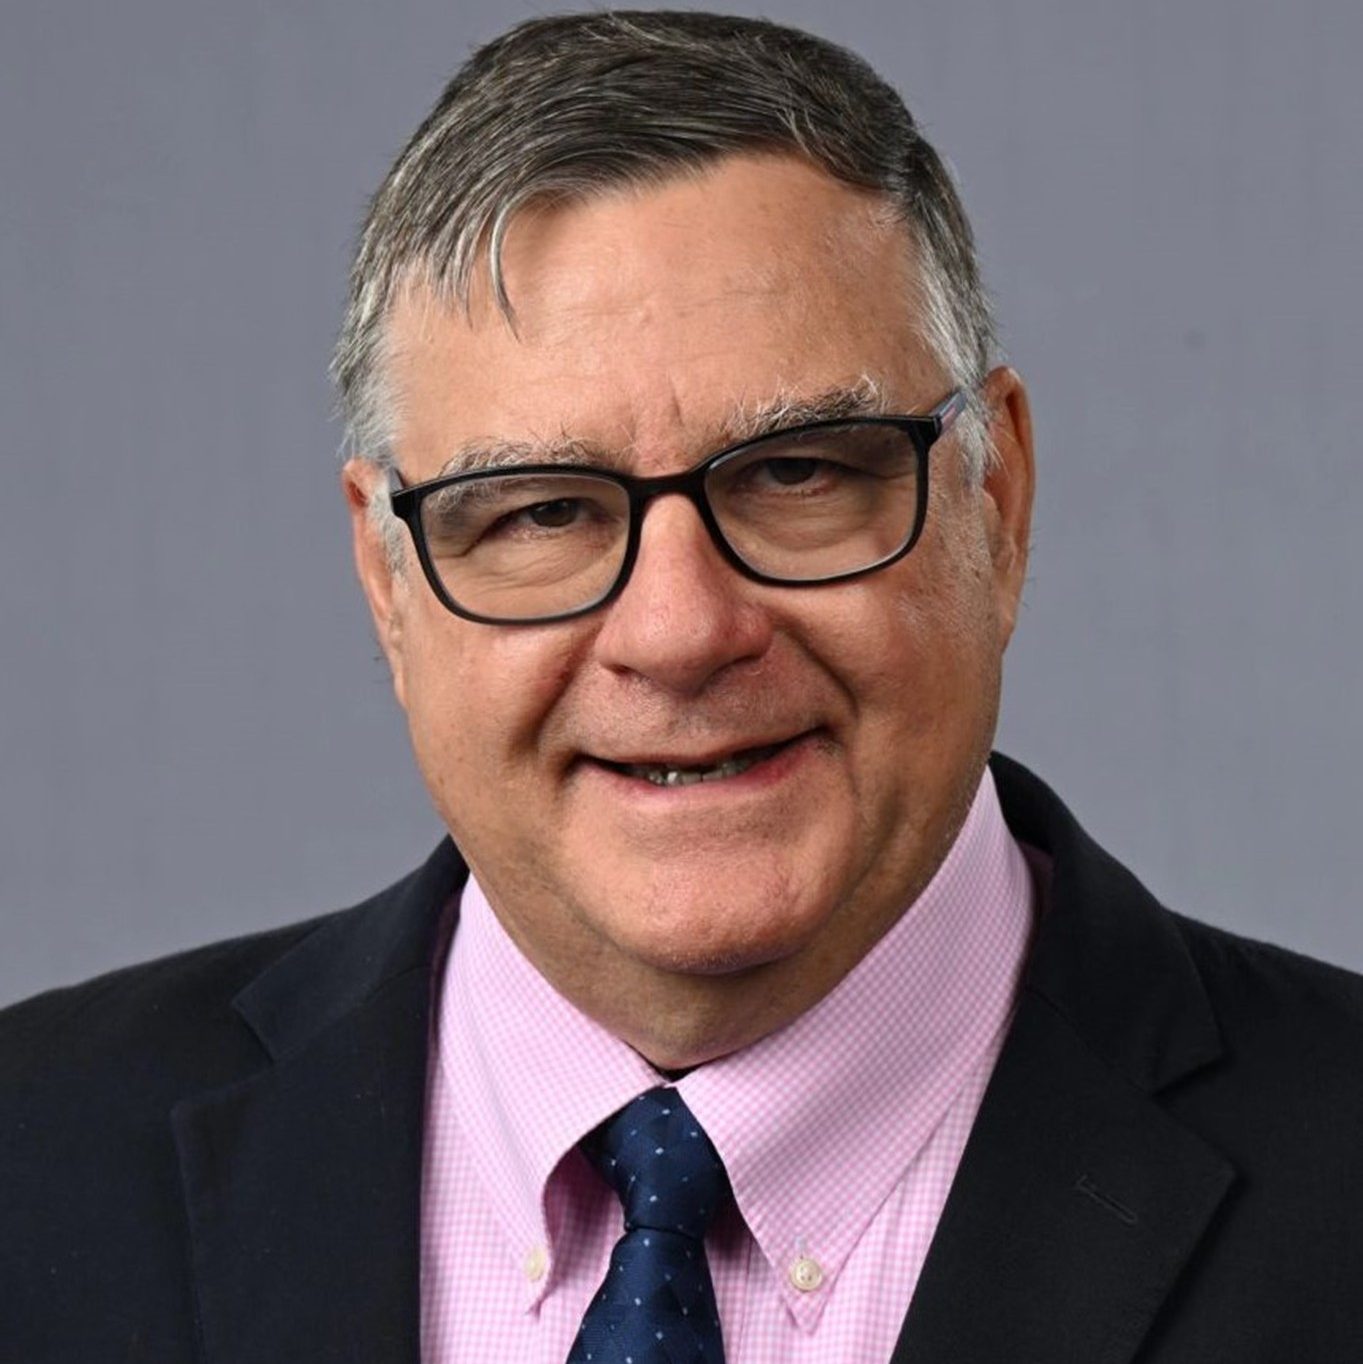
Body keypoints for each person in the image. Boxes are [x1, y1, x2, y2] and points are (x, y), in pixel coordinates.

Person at [3, 10, 1361, 1362]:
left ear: (994, 500)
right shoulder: (33, 1163)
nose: (679, 632)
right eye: (541, 511)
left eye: (796, 474)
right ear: (387, 579)